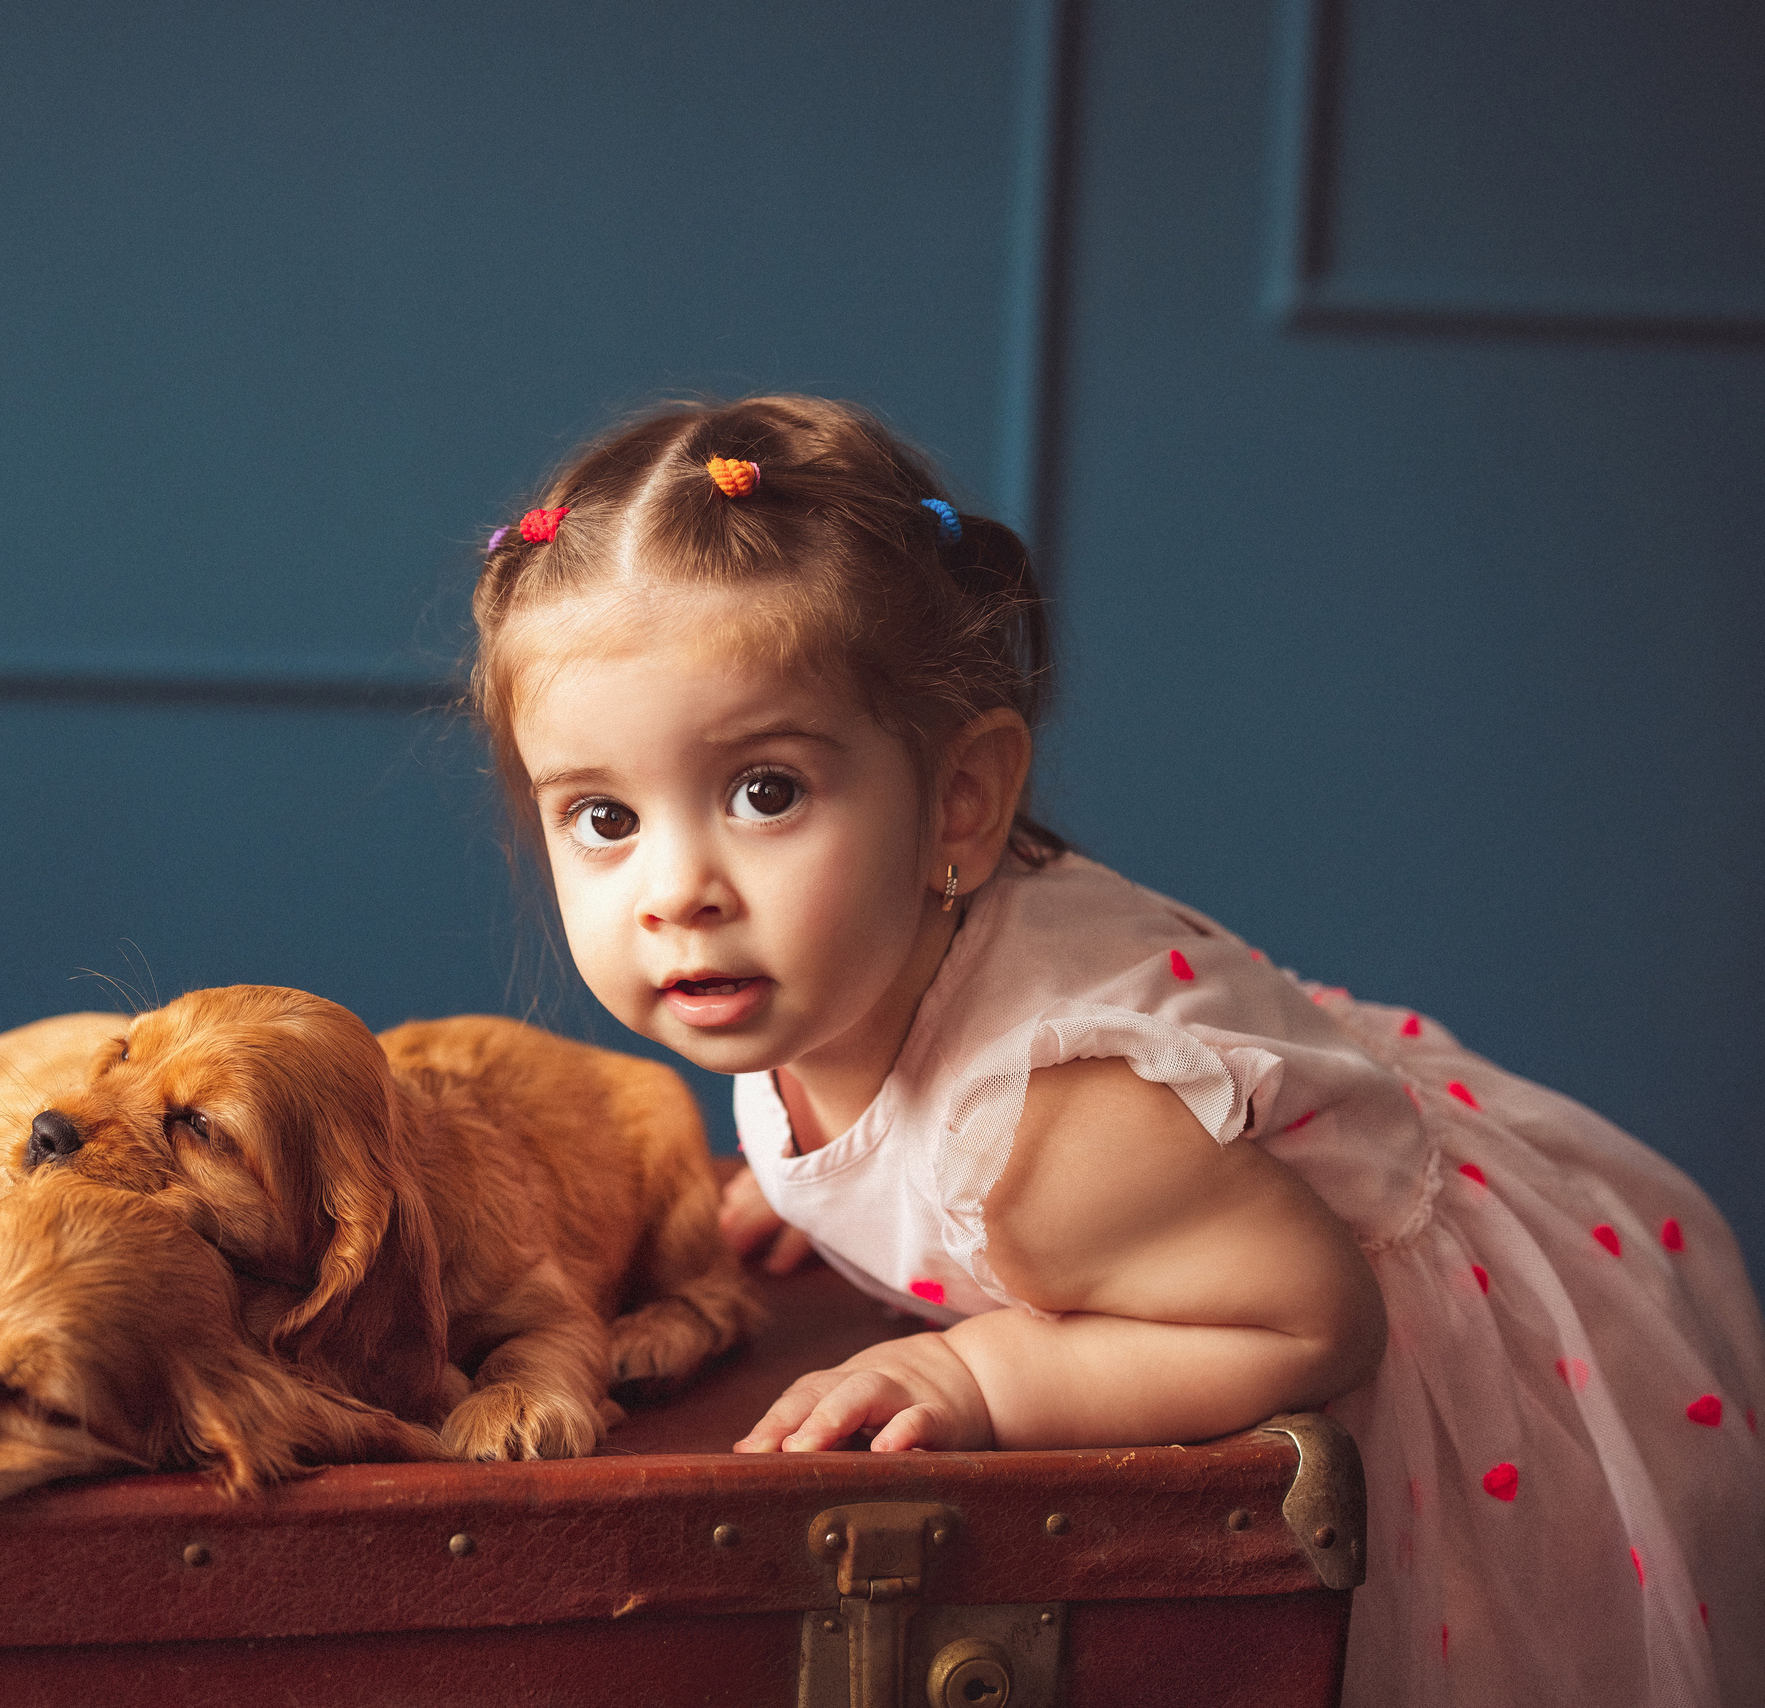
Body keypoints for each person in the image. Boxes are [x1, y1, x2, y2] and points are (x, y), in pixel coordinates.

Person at [465, 394, 1765, 1707]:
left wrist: (975, 1368)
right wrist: (818, 1179)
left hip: (1431, 1370)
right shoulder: (815, 969)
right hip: (1183, 1215)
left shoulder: (1055, 1125)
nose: (676, 889)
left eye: (767, 793)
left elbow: (1318, 1322)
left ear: (958, 802)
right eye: (604, 816)